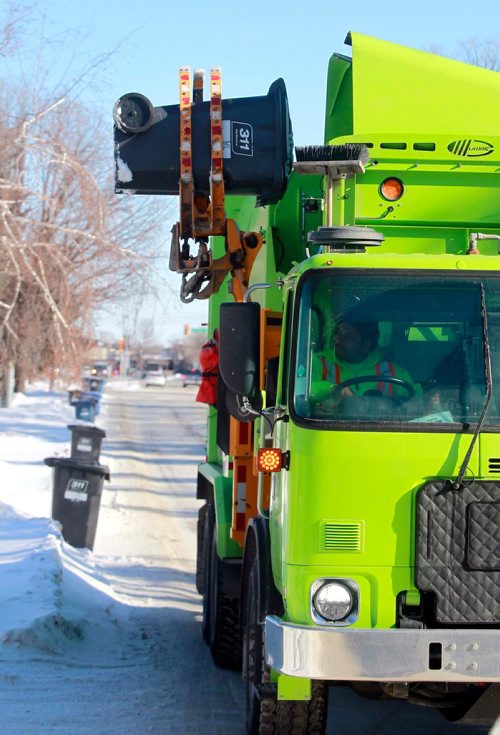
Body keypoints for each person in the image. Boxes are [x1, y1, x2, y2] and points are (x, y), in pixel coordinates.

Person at [311, 319, 420, 407]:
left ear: (366, 345)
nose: (338, 340)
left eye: (348, 337)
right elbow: (304, 388)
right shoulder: (319, 362)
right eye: (339, 334)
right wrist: (332, 390)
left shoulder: (393, 372)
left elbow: (417, 399)